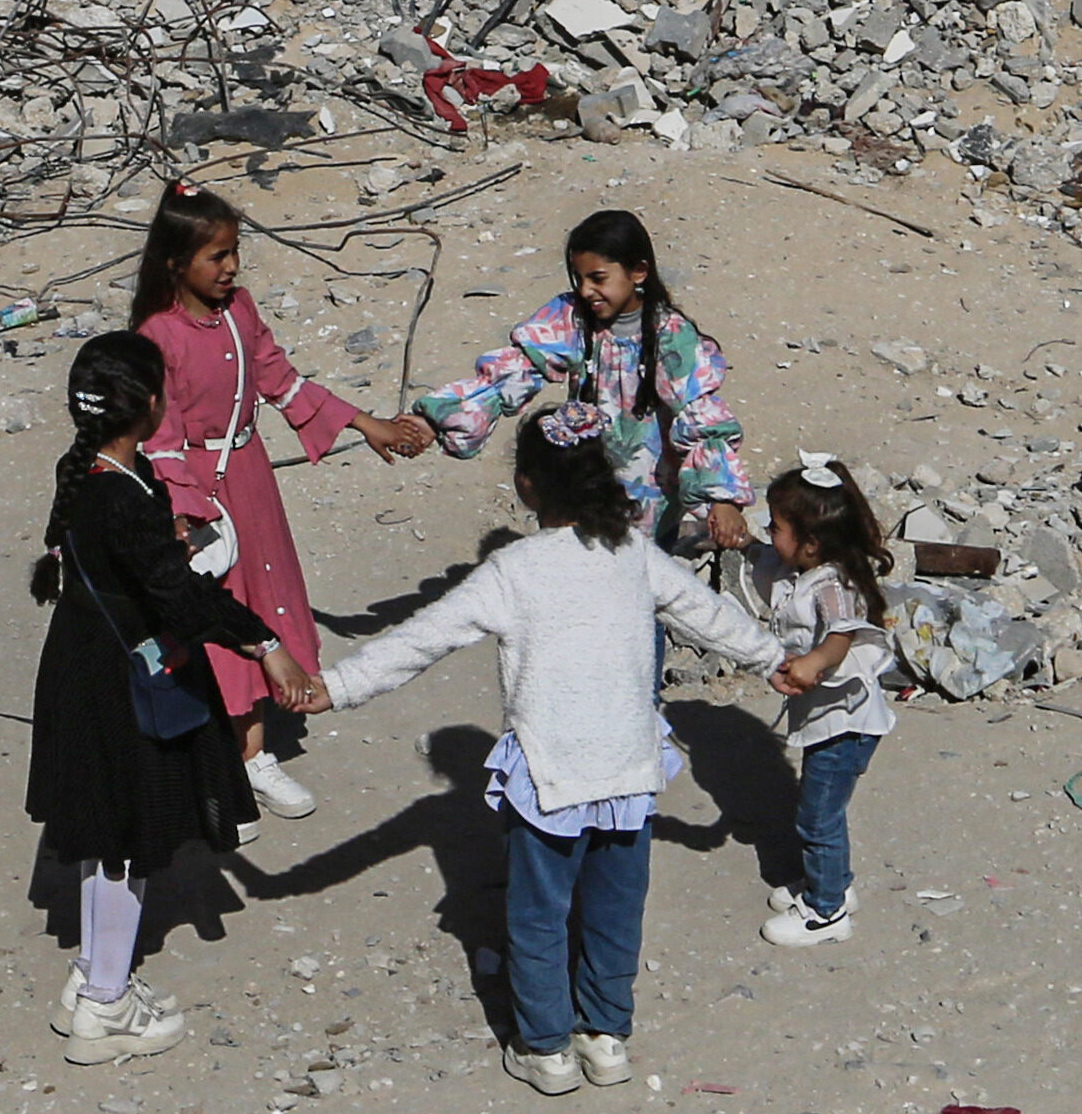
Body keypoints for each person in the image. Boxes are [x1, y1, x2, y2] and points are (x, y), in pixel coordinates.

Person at [320, 403, 786, 1096]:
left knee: (539, 915)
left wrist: (332, 688)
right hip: (627, 773)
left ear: (527, 485)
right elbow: (708, 615)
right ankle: (607, 1036)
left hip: (549, 776)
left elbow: (418, 641)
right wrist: (776, 659)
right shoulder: (634, 554)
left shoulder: (512, 569)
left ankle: (547, 1049)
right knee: (615, 911)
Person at [27, 328, 333, 1069]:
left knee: (105, 837)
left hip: (80, 673)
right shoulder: (124, 495)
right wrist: (265, 645)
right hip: (121, 688)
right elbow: (179, 596)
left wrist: (165, 548)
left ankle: (92, 978)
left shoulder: (89, 475)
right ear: (149, 405)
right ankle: (106, 1005)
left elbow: (131, 566)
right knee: (127, 844)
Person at [129, 179, 431, 827]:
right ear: (175, 263)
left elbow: (281, 380)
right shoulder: (157, 337)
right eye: (216, 256)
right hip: (199, 492)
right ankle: (238, 758)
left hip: (251, 479)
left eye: (234, 252)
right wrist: (183, 513)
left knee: (261, 597)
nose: (231, 267)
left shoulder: (239, 311)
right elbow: (160, 437)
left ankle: (250, 750)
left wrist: (365, 424)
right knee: (221, 609)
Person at [411, 210, 751, 557]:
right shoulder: (571, 318)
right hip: (584, 475)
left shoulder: (671, 336)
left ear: (638, 272)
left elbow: (699, 415)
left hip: (649, 493)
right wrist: (435, 420)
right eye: (579, 278)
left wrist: (721, 500)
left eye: (598, 278)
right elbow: (513, 371)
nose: (586, 290)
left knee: (637, 564)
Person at [754, 454, 899, 946]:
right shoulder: (804, 571)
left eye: (776, 527)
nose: (768, 533)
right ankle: (834, 881)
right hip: (830, 719)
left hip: (846, 724)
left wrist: (814, 662)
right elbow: (765, 562)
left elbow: (842, 633)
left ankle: (827, 911)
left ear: (811, 543)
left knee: (817, 817)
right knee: (822, 810)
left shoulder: (833, 585)